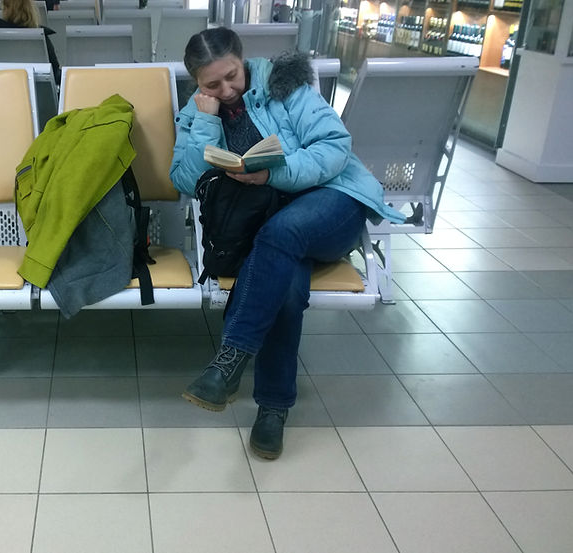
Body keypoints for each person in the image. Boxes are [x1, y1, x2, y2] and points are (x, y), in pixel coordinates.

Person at [170, 27, 404, 460]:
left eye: (232, 76)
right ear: (197, 83)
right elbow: (184, 179)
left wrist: (272, 174)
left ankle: (229, 360)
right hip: (270, 224)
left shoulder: (284, 85)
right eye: (212, 84)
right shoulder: (196, 111)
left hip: (334, 202)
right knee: (287, 288)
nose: (226, 90)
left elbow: (334, 146)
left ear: (243, 60)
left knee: (281, 235)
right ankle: (273, 409)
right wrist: (205, 121)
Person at [0, 0, 61, 83]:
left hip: (2, 86)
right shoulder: (41, 39)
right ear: (31, 9)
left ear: (5, 8)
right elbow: (55, 73)